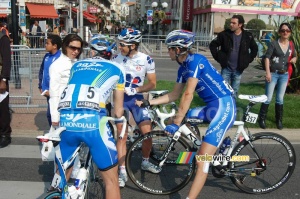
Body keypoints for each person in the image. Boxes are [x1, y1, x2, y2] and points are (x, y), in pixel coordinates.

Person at [137, 29, 236, 198]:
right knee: (172, 121)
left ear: (177, 49)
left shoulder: (195, 61)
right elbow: (174, 95)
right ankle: (216, 148)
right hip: (211, 106)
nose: (167, 51)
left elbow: (188, 95)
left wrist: (177, 122)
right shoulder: (183, 68)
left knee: (201, 160)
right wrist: (149, 102)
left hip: (224, 108)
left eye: (169, 48)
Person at [57, 57, 125, 199]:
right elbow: (118, 112)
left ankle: (55, 191)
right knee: (112, 182)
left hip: (66, 120)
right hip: (94, 123)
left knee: (60, 176)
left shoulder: (77, 65)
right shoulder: (118, 68)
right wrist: (121, 120)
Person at [111, 28, 158, 188]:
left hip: (137, 99)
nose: (119, 47)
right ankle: (122, 171)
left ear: (133, 45)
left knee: (147, 133)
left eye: (122, 44)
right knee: (121, 136)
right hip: (121, 100)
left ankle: (145, 161)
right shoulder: (115, 58)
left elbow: (152, 83)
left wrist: (137, 90)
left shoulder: (146, 59)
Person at [258, 23, 297, 130]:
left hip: (284, 74)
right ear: (279, 32)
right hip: (273, 73)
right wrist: (268, 73)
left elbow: (294, 55)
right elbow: (267, 58)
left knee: (280, 99)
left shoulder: (291, 44)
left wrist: (294, 59)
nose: (285, 32)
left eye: (287, 31)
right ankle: (261, 118)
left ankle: (278, 120)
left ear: (290, 32)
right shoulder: (274, 44)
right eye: (283, 30)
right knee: (268, 97)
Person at [209, 15, 258, 98]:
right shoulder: (224, 34)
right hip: (226, 68)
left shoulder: (248, 36)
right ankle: (224, 109)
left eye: (234, 23)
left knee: (234, 92)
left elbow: (254, 49)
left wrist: (247, 60)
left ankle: (233, 109)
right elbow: (213, 45)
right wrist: (218, 57)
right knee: (223, 90)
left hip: (238, 69)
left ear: (240, 25)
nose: (231, 24)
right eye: (230, 22)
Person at [49, 34, 83, 127]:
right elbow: (54, 93)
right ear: (65, 46)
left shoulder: (79, 64)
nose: (76, 51)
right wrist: (55, 117)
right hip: (63, 110)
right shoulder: (56, 66)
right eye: (73, 48)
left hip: (77, 110)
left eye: (78, 49)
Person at [38, 34, 62, 126]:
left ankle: (58, 135)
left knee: (54, 114)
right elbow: (41, 71)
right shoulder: (46, 56)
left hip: (56, 92)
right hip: (47, 91)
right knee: (50, 115)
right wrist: (40, 85)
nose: (45, 45)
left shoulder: (61, 57)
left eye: (47, 43)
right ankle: (53, 133)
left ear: (55, 46)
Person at [0, 28, 12, 148]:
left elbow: (7, 60)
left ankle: (5, 134)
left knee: (2, 108)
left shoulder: (3, 39)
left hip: (0, 78)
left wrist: (4, 79)